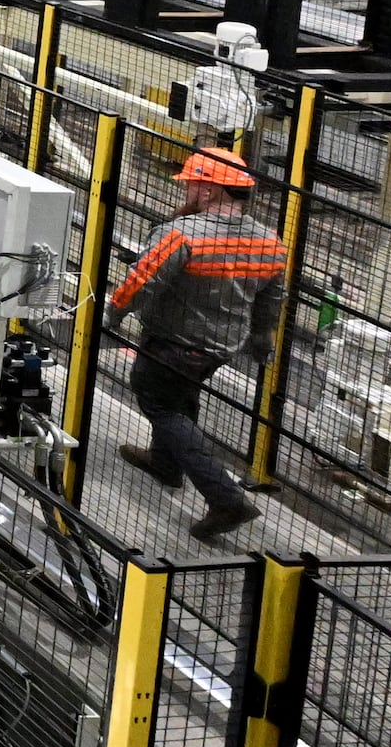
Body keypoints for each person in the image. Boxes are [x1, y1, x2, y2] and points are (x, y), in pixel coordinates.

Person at [107, 145, 287, 541]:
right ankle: (164, 464)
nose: (187, 192)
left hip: (173, 342)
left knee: (161, 405)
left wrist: (111, 315)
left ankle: (226, 499)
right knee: (181, 396)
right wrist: (261, 341)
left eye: (191, 185)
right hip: (221, 348)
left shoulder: (182, 234)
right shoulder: (270, 242)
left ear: (209, 191)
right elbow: (272, 299)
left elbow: (142, 281)